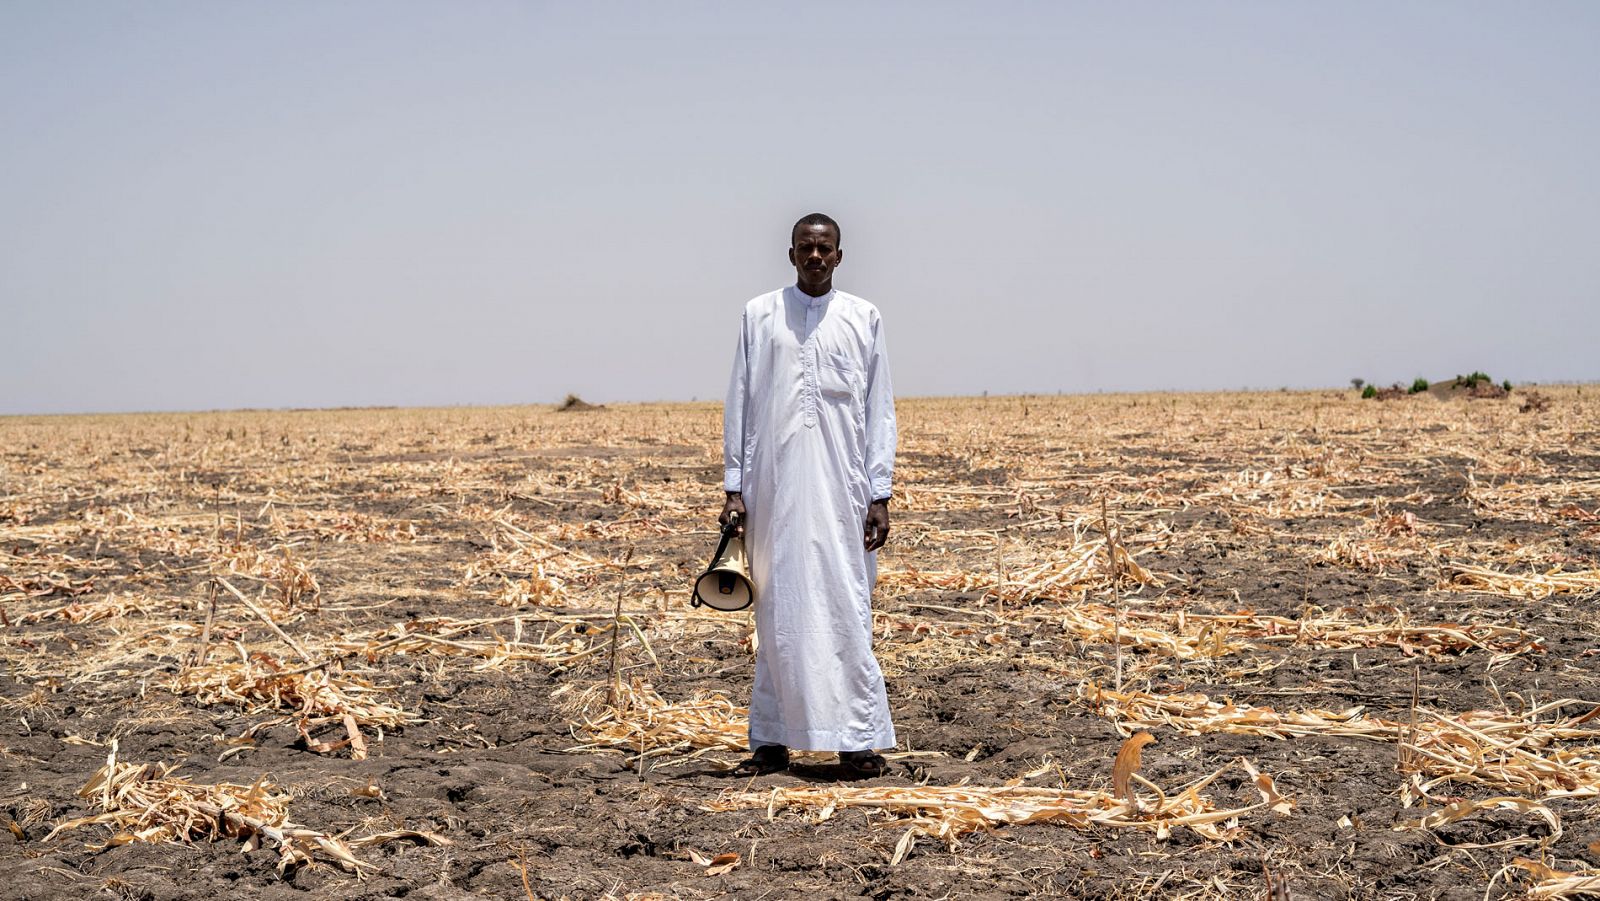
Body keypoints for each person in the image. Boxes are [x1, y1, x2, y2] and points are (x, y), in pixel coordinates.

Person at [719, 212, 897, 779]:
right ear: (790, 254)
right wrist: (734, 488)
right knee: (779, 611)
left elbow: (878, 411)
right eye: (805, 248)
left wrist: (880, 492)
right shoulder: (759, 314)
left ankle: (855, 741)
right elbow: (740, 404)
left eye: (825, 249)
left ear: (839, 256)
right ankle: (771, 741)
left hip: (844, 492)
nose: (815, 257)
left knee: (847, 605)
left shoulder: (863, 318)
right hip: (774, 492)